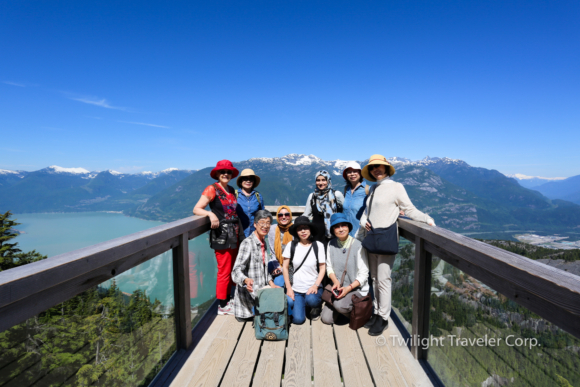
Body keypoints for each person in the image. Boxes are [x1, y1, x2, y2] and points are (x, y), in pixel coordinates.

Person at [356, 154, 436, 336]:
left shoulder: (397, 187)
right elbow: (366, 212)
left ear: (386, 169)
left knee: (384, 280)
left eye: (380, 166)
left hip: (385, 238)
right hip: (372, 238)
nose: (376, 169)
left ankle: (384, 318)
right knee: (375, 278)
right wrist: (363, 223)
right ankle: (377, 313)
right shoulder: (374, 189)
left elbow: (409, 209)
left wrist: (426, 219)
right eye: (373, 167)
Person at [193, 159, 244, 315]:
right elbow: (196, 209)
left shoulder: (231, 190)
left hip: (234, 234)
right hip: (222, 235)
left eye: (228, 172)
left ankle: (229, 298)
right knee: (224, 270)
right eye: (222, 172)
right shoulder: (211, 189)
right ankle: (222, 305)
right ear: (217, 174)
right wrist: (210, 214)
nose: (226, 174)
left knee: (233, 268)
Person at [321, 213, 370, 326]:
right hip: (339, 287)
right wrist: (336, 282)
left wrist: (348, 289)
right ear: (333, 230)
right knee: (326, 319)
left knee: (339, 305)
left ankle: (361, 313)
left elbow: (363, 275)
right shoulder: (331, 244)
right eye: (337, 227)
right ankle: (347, 311)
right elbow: (329, 267)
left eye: (344, 225)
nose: (341, 229)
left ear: (348, 227)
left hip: (355, 288)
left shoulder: (358, 246)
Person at [231, 210, 280, 321]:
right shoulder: (247, 243)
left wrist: (272, 284)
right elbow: (235, 271)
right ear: (255, 224)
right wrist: (246, 280)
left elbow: (264, 269)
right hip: (248, 307)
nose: (265, 226)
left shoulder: (263, 242)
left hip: (261, 294)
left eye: (268, 223)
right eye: (262, 222)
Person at [282, 216, 326, 324]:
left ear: (310, 229)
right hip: (296, 288)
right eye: (299, 229)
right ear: (296, 232)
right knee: (298, 320)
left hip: (312, 286)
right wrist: (289, 288)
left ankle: (314, 307)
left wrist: (316, 285)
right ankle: (301, 306)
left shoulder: (318, 246)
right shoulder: (291, 246)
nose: (303, 231)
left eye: (306, 228)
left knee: (312, 300)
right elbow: (285, 267)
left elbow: (322, 267)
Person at [303, 170, 344, 244]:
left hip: (334, 234)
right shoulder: (312, 196)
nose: (321, 183)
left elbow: (345, 212)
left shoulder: (337, 195)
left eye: (323, 180)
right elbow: (306, 215)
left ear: (328, 181)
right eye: (318, 180)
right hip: (316, 235)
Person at [267, 205, 294, 287]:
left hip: (293, 266)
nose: (284, 217)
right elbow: (272, 252)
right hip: (278, 265)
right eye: (280, 215)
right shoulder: (272, 229)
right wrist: (278, 267)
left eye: (287, 214)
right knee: (279, 283)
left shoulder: (295, 229)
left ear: (290, 216)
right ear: (277, 217)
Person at [341, 161, 369, 237]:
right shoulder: (346, 189)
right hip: (345, 234)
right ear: (346, 175)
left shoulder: (367, 190)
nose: (352, 174)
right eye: (349, 172)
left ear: (360, 173)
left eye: (355, 171)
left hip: (361, 234)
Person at [235, 169, 265, 238]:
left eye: (251, 179)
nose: (248, 181)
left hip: (254, 234)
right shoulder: (235, 195)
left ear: (253, 182)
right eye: (245, 178)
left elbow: (262, 215)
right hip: (238, 234)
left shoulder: (258, 196)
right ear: (240, 181)